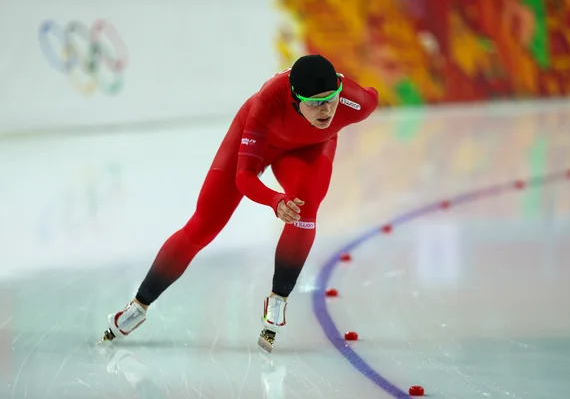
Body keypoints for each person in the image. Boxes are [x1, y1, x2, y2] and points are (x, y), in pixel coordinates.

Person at [100, 54, 379, 352]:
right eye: (314, 103)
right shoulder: (267, 102)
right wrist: (274, 200)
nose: (325, 111)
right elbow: (243, 177)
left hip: (310, 148)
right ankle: (138, 306)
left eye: (330, 99)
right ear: (296, 100)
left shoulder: (355, 102)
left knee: (305, 208)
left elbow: (373, 94)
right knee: (204, 226)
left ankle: (278, 300)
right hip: (261, 141)